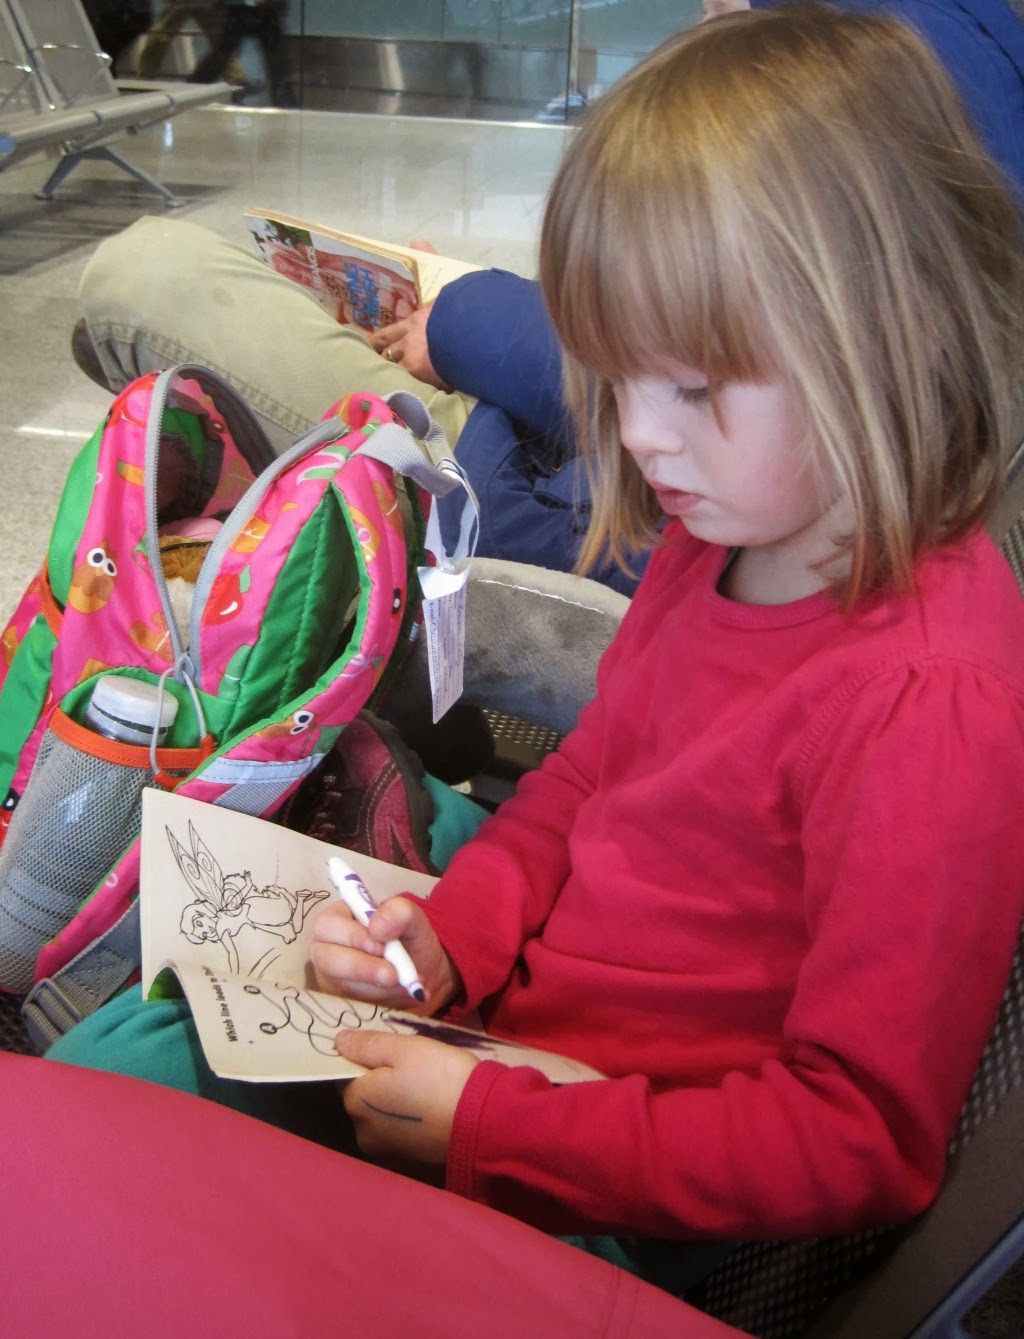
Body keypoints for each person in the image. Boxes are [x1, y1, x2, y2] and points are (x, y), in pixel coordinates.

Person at [51, 2, 1024, 1291]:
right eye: (619, 379)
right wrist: (458, 930)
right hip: (506, 1027)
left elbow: (857, 1141)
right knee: (134, 1056)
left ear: (895, 340)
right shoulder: (726, 530)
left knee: (117, 1121)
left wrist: (500, 1118)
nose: (644, 436)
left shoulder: (930, 701)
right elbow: (590, 777)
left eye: (694, 388)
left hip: (602, 1183)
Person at [71, 0, 1024, 596]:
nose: (639, 429)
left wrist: (464, 316)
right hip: (547, 458)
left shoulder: (835, 88)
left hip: (518, 486)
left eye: (688, 389)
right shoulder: (933, 65)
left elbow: (644, 385)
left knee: (141, 278)